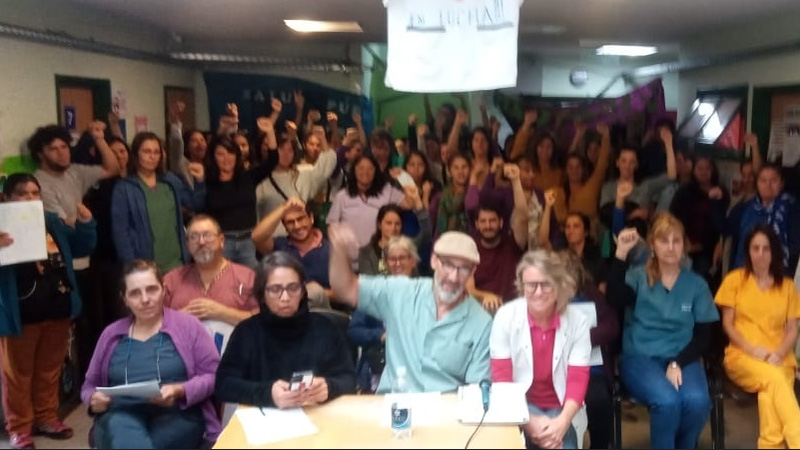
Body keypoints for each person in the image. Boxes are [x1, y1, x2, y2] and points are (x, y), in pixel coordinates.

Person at [330, 226, 492, 393]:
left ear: (473, 271)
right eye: (448, 265)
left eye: (464, 268)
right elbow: (346, 290)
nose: (453, 277)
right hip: (392, 408)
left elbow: (477, 392)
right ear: (434, 261)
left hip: (443, 414)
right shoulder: (400, 291)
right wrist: (339, 251)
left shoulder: (482, 323)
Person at [0, 173, 97, 450]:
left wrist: (87, 222)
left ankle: (46, 417)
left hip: (58, 306)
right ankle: (18, 428)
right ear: (6, 197)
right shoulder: (1, 224)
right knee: (17, 375)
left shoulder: (51, 221)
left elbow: (82, 244)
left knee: (49, 369)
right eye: (22, 193)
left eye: (34, 193)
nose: (30, 198)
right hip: (21, 313)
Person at [608, 214, 720, 449]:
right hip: (640, 357)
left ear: (684, 245)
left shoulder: (696, 285)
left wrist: (678, 362)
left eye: (676, 241)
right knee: (667, 401)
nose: (670, 247)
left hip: (683, 357)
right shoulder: (639, 277)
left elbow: (704, 337)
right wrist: (620, 253)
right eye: (663, 241)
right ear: (652, 245)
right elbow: (614, 297)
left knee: (698, 402)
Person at [82, 260, 221, 449]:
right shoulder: (111, 334)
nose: (145, 299)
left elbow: (215, 376)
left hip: (177, 414)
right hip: (120, 414)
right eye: (135, 293)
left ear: (163, 290)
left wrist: (180, 389)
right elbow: (89, 385)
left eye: (152, 289)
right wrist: (92, 399)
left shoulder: (188, 327)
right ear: (124, 299)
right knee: (120, 428)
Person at [215, 252, 356, 408]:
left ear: (303, 291)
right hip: (263, 421)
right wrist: (268, 393)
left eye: (293, 288)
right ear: (262, 294)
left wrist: (329, 387)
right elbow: (224, 384)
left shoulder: (326, 329)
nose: (285, 298)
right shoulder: (246, 332)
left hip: (317, 415)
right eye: (275, 290)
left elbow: (349, 379)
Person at [489, 250, 591, 449]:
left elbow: (578, 378)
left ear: (559, 285)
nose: (538, 292)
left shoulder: (578, 321)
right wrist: (529, 422)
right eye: (531, 285)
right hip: (519, 403)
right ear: (522, 286)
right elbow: (502, 379)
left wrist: (561, 424)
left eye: (546, 284)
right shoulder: (505, 316)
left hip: (562, 408)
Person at [715, 225, 800, 448]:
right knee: (775, 381)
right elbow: (728, 325)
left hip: (780, 358)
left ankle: (771, 445)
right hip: (742, 355)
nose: (760, 254)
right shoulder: (735, 280)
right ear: (748, 251)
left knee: (769, 393)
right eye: (755, 248)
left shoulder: (788, 286)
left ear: (774, 252)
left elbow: (792, 328)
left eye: (766, 249)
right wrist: (752, 350)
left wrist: (780, 353)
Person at [112, 132, 202, 272]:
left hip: (176, 261)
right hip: (145, 265)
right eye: (147, 151)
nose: (152, 156)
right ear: (136, 154)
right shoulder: (124, 188)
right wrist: (131, 264)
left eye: (156, 152)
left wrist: (199, 181)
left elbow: (195, 204)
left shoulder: (170, 180)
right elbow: (121, 232)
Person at [349, 236, 421, 393]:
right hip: (378, 365)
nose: (397, 264)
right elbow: (354, 331)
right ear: (385, 263)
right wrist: (381, 335)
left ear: (413, 261)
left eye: (402, 258)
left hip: (417, 365)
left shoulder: (425, 292)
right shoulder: (375, 291)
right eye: (392, 259)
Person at [163, 215, 259, 327]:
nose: (201, 242)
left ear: (221, 240)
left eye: (207, 235)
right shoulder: (172, 280)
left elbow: (260, 323)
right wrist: (180, 318)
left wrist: (222, 313)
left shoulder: (247, 277)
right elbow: (154, 324)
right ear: (187, 244)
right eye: (194, 237)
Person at [251, 197, 333, 309]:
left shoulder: (332, 250)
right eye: (290, 222)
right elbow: (257, 237)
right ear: (285, 227)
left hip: (320, 313)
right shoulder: (279, 246)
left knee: (314, 290)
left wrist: (303, 293)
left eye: (301, 219)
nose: (297, 226)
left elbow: (343, 293)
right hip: (282, 310)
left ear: (311, 218)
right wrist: (283, 208)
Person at [469, 163, 528, 312]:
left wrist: (515, 181)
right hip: (482, 313)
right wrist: (486, 296)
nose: (488, 226)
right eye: (483, 221)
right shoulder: (470, 250)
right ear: (476, 224)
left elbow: (522, 217)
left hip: (514, 312)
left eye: (492, 221)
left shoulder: (513, 244)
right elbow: (468, 290)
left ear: (501, 223)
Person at [728, 164, 800, 275]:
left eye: (773, 180)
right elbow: (727, 229)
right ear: (757, 184)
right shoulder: (746, 207)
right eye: (763, 180)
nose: (768, 185)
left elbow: (794, 248)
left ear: (782, 184)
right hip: (743, 273)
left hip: (777, 277)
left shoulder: (792, 209)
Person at [326, 154, 408, 248]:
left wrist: (404, 178)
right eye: (361, 168)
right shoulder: (342, 196)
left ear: (375, 171)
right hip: (349, 254)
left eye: (370, 168)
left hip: (378, 251)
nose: (365, 172)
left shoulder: (387, 191)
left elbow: (410, 203)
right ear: (354, 170)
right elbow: (332, 226)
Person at [358, 194, 431, 276]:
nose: (393, 228)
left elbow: (426, 234)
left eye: (397, 224)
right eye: (389, 223)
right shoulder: (366, 253)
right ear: (379, 224)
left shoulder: (409, 245)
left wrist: (418, 205)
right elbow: (369, 283)